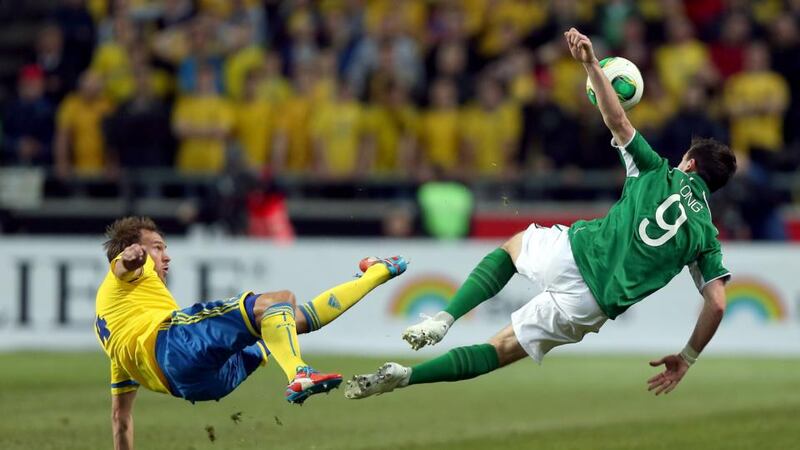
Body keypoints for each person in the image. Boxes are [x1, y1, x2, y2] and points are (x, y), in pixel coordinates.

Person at [346, 28, 736, 400]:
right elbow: (717, 303)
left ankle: (444, 319)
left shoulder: (657, 172)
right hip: (592, 306)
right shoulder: (705, 237)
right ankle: (407, 376)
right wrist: (686, 357)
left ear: (688, 164)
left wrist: (591, 64)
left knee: (514, 247)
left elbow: (617, 120)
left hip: (576, 254)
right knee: (500, 348)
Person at [95, 216, 406, 449]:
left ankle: (376, 272)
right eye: (159, 248)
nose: (167, 257)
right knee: (280, 300)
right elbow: (123, 265)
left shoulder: (117, 333)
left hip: (194, 385)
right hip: (174, 346)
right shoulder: (128, 272)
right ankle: (299, 372)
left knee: (286, 319)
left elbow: (120, 419)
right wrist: (132, 257)